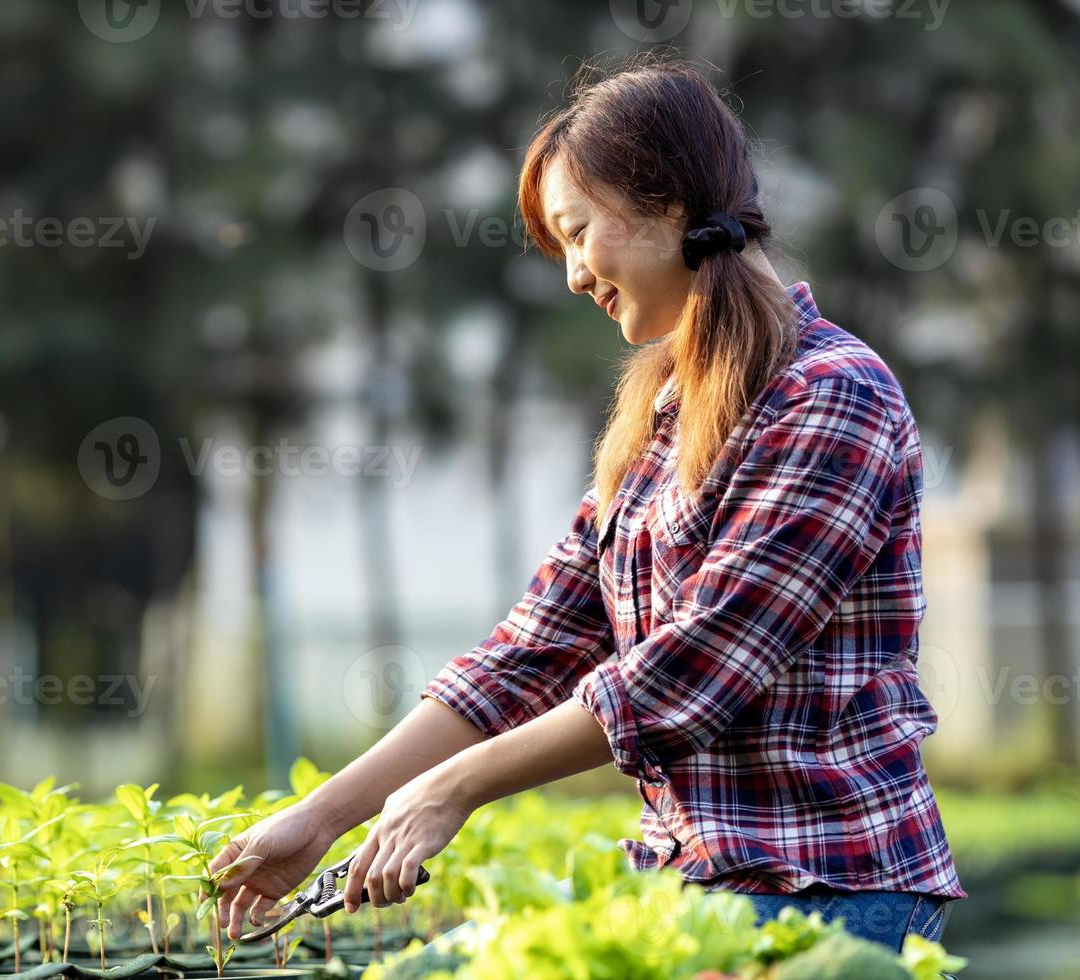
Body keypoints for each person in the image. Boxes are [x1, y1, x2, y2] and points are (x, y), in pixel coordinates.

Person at [207, 56, 966, 955]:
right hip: (690, 887)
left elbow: (701, 666)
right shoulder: (661, 418)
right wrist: (324, 816)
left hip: (835, 892)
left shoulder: (834, 396)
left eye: (577, 232)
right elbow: (532, 650)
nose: (572, 275)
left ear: (669, 205)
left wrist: (456, 787)